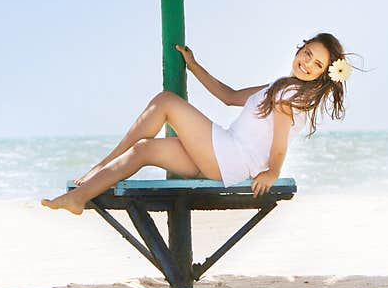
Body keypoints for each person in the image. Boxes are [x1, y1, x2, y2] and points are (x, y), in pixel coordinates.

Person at [41, 32, 353, 215]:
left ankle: (99, 166)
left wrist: (272, 172)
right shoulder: (279, 86)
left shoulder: (291, 94)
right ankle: (78, 199)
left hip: (230, 156)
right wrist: (194, 66)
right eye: (307, 53)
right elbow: (228, 96)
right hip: (223, 156)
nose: (307, 64)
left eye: (317, 64)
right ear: (299, 48)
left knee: (166, 101)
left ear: (325, 73)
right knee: (144, 150)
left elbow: (280, 142)